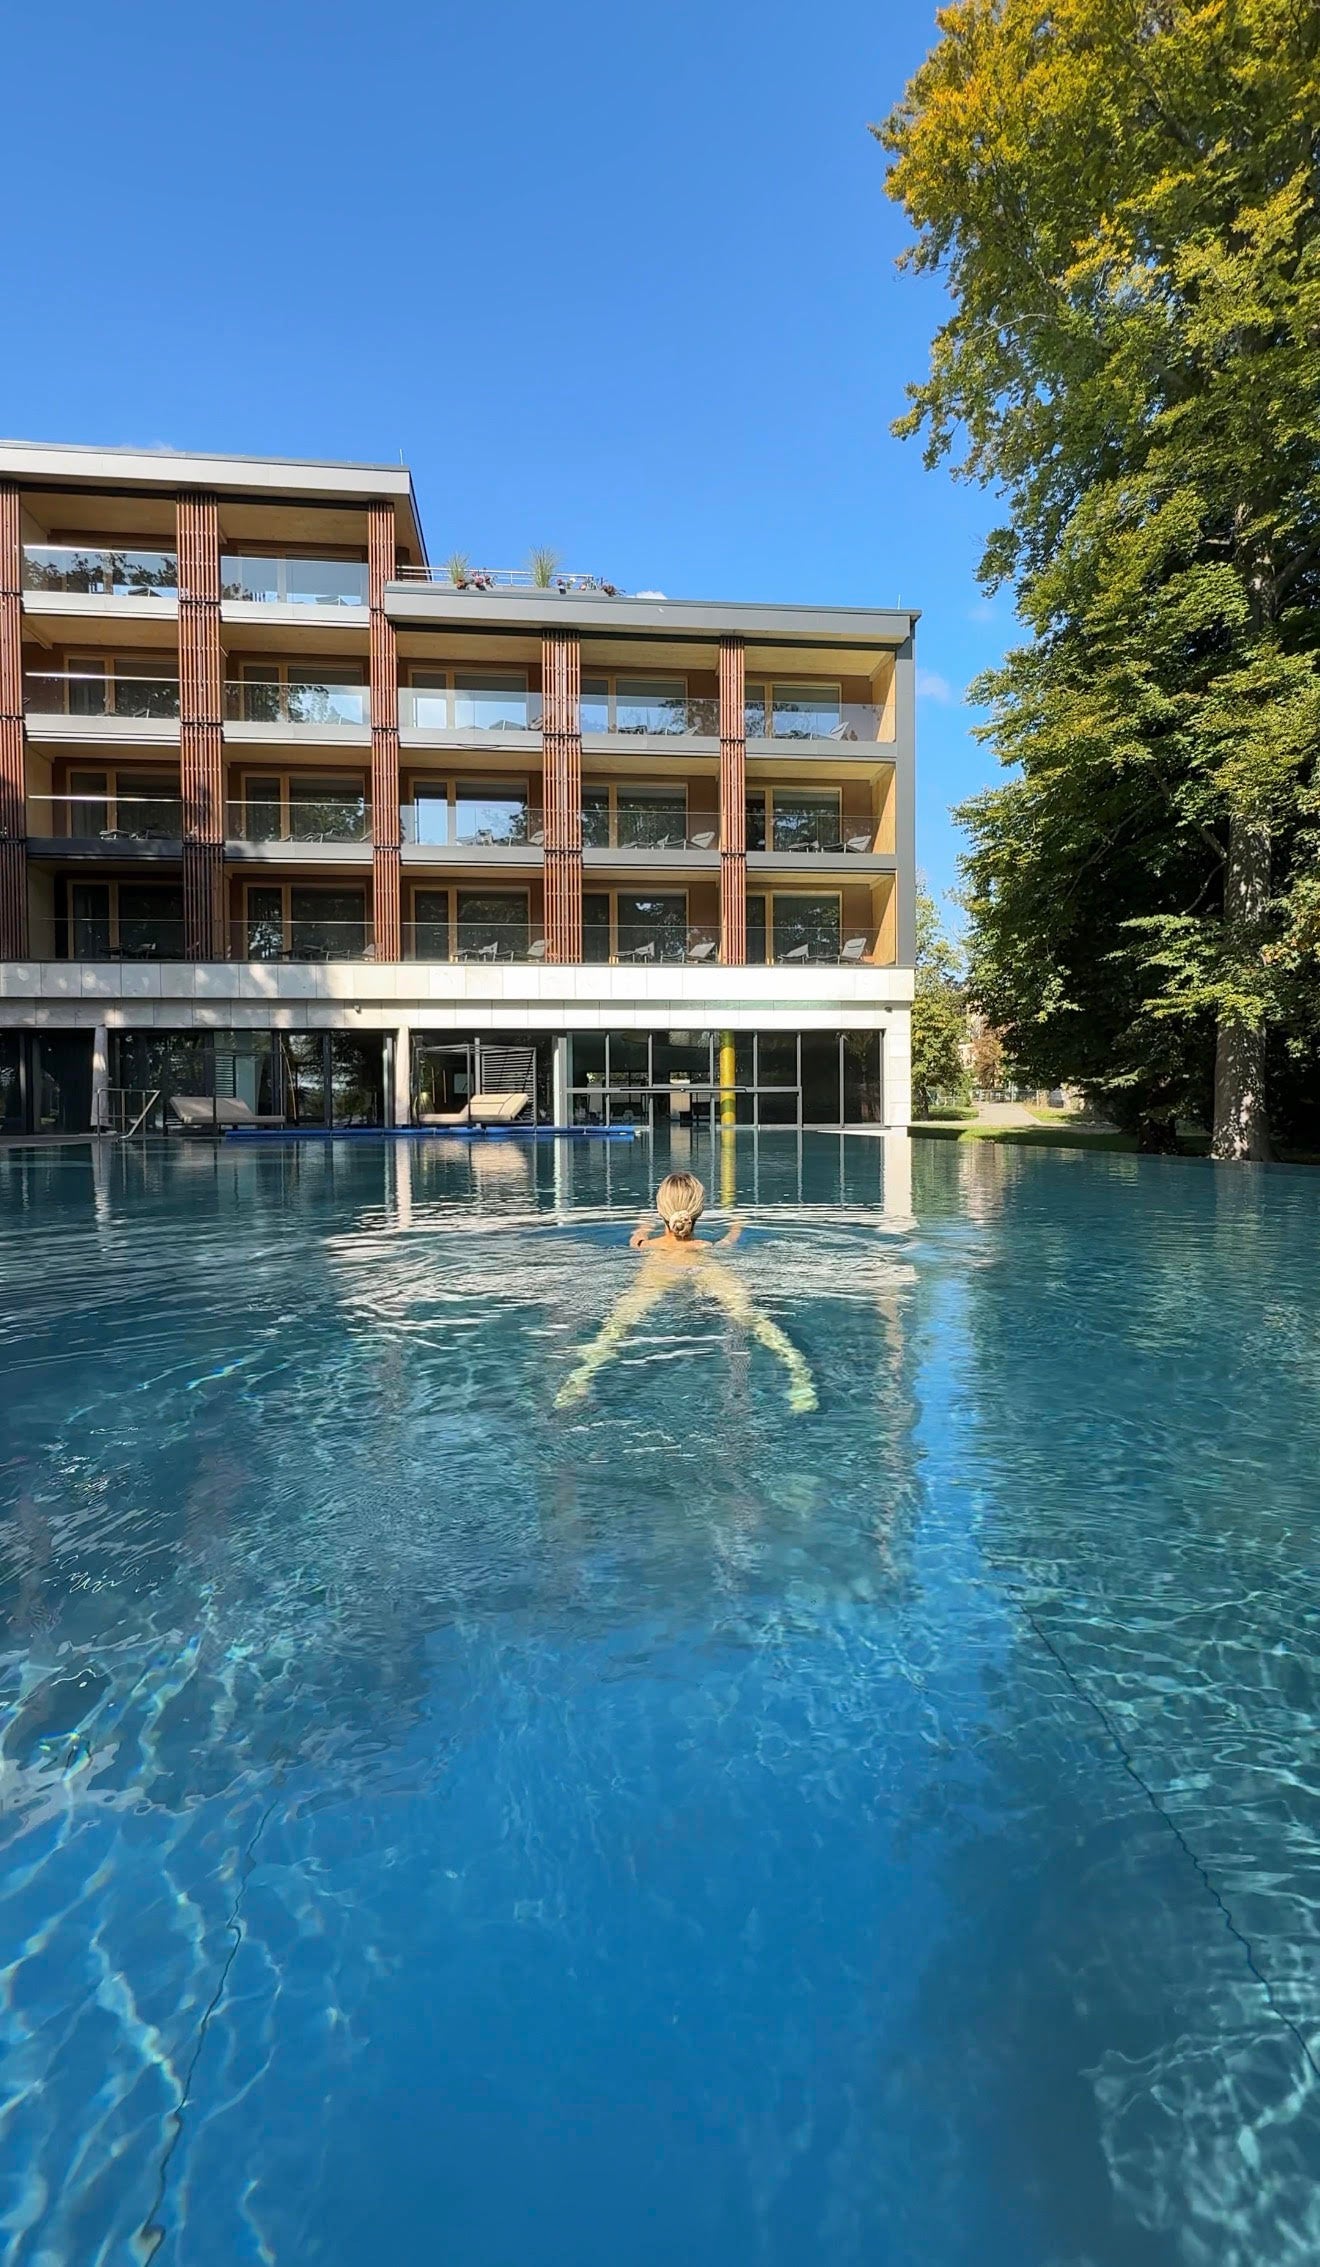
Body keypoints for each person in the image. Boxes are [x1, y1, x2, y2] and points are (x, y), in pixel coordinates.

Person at [555, 1172, 818, 1414]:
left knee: (617, 1326)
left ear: (661, 1211)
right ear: (699, 1211)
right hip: (703, 1267)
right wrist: (737, 1225)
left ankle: (579, 1378)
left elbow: (634, 1239)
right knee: (753, 1318)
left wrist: (643, 1227)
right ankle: (799, 1375)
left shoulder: (646, 1245)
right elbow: (728, 1243)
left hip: (658, 1269)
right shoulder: (707, 1245)